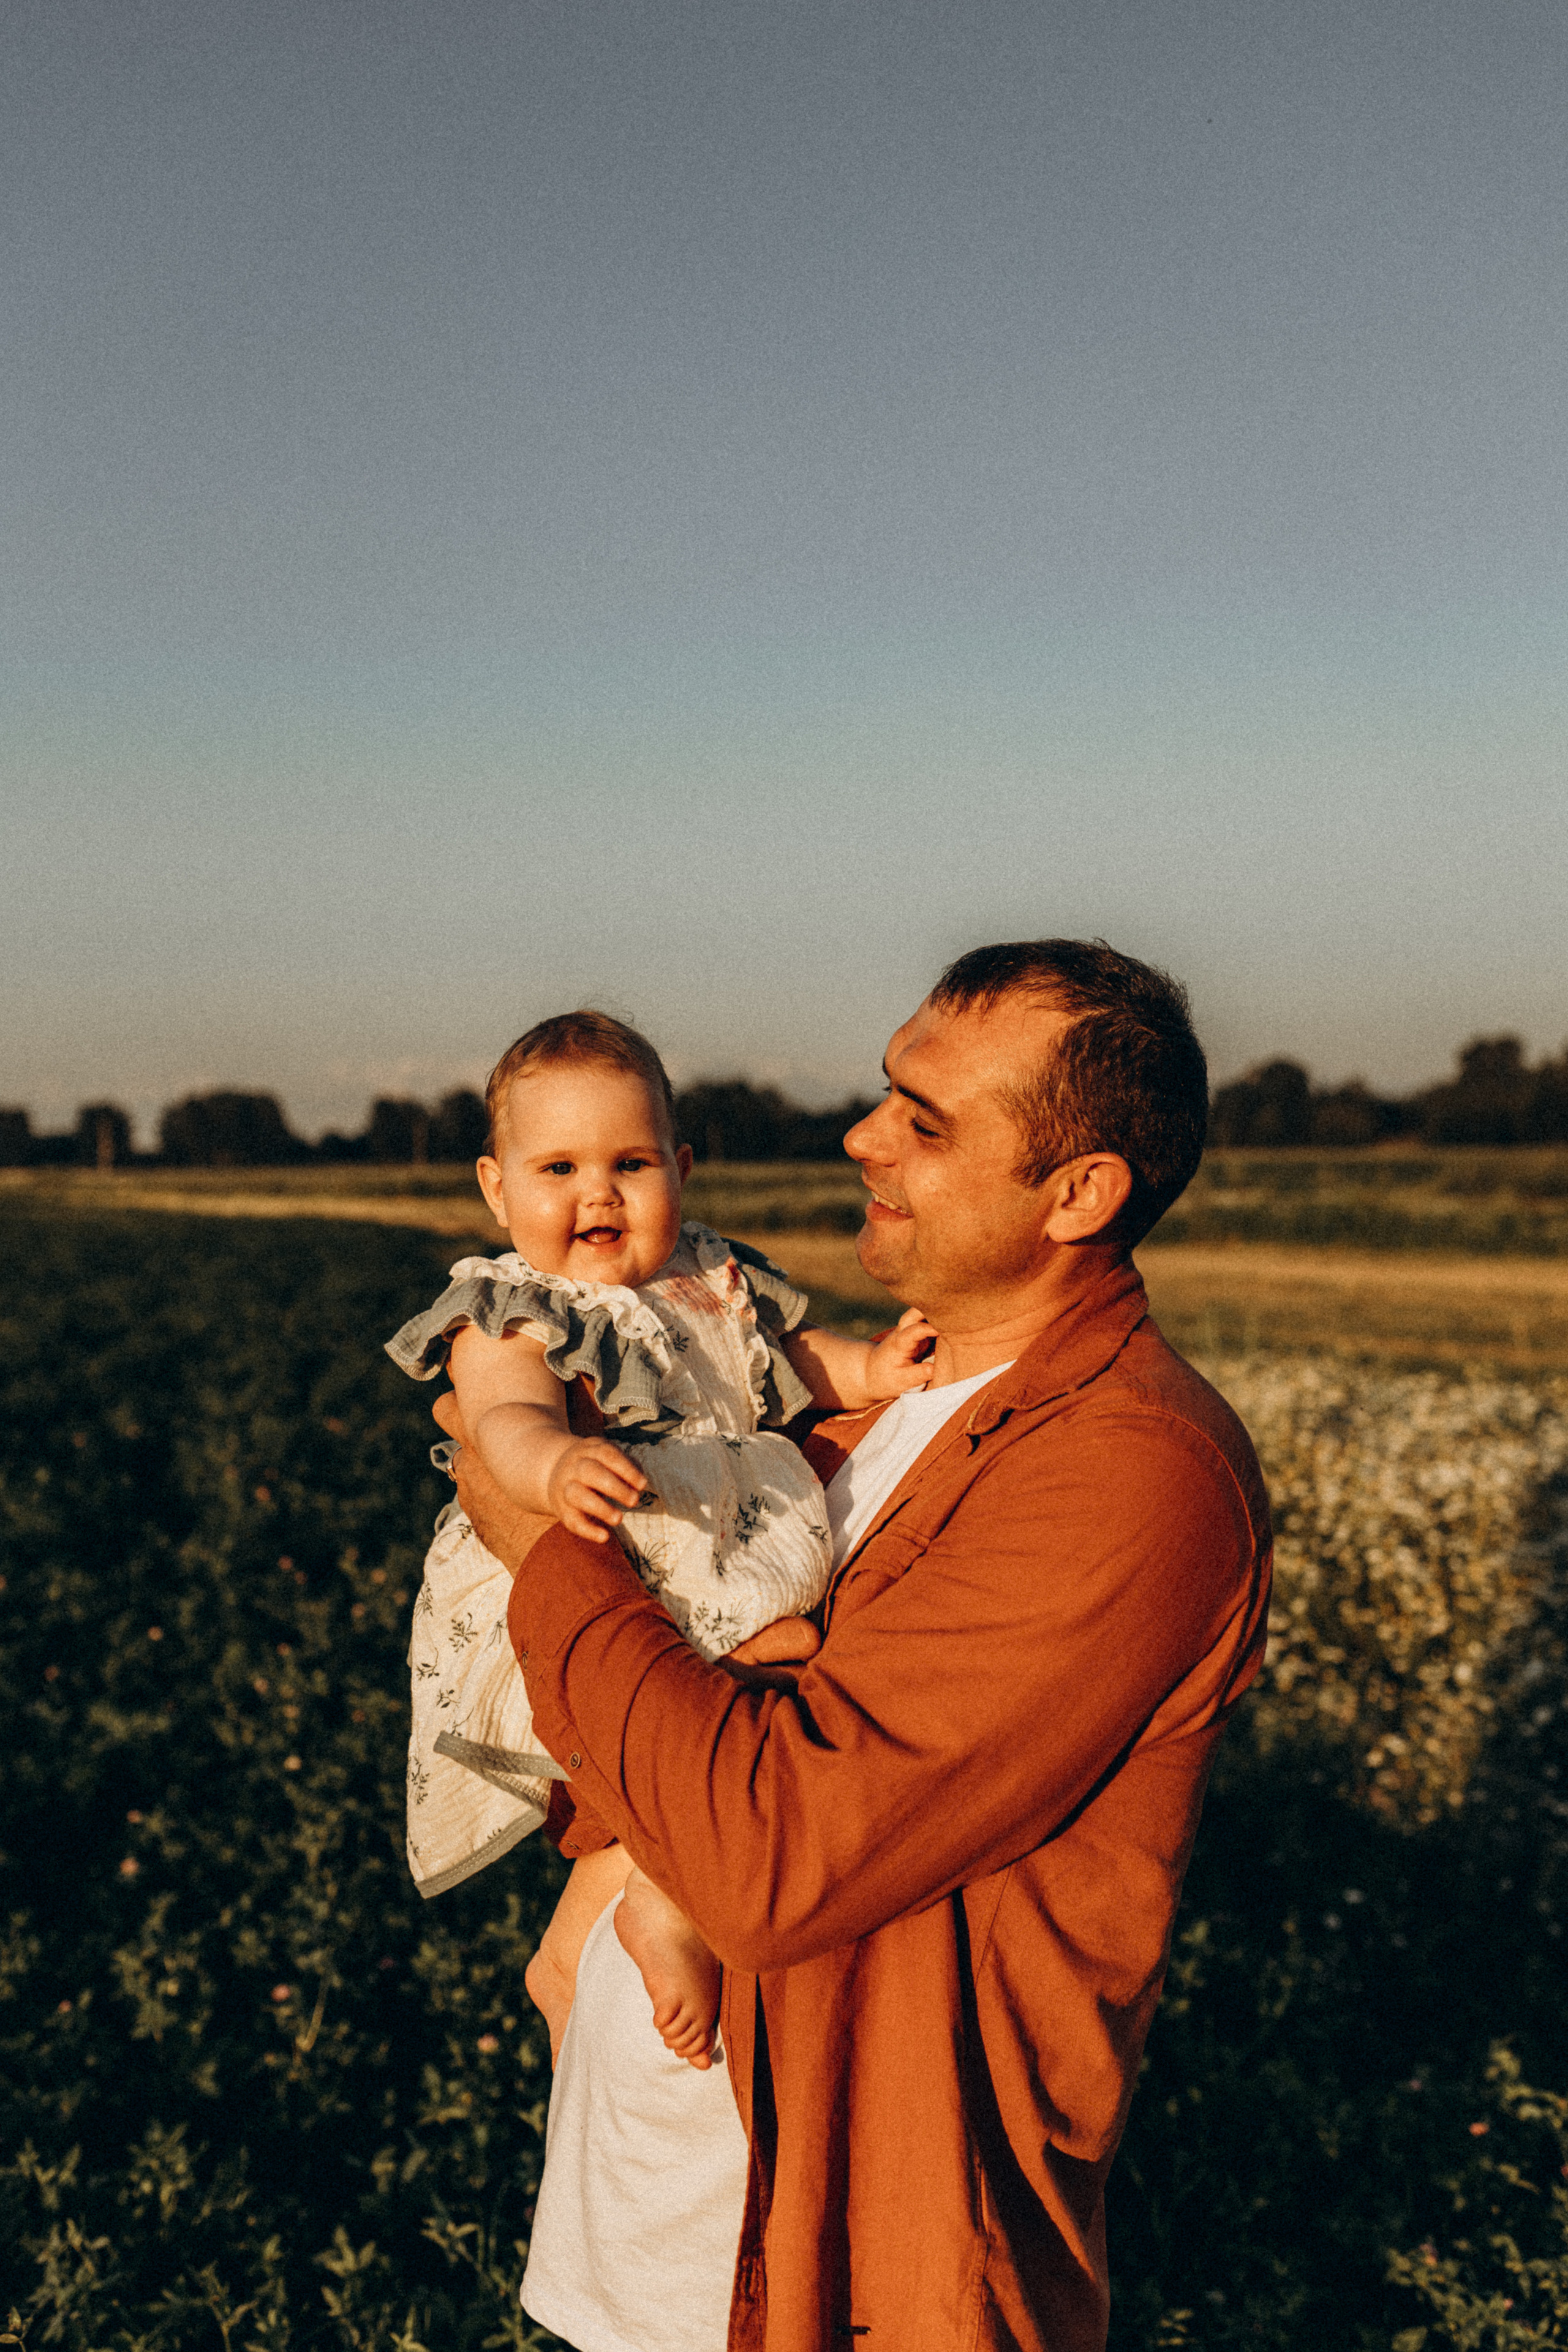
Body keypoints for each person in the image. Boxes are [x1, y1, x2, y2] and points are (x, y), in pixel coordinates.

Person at [439, 940, 1273, 2352]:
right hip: (653, 2222)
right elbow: (656, 1722)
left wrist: (534, 1541)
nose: (860, 1135)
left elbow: (766, 1851)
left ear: (1080, 1192)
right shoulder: (850, 1414)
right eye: (884, 1091)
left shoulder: (1129, 1471)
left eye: (923, 1119)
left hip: (839, 2260)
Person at [386, 1010, 935, 2064]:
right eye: (559, 1167)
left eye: (631, 1163)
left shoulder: (713, 1281)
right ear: (497, 1187)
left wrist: (876, 1368)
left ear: (681, 1169)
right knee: (707, 1699)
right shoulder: (510, 1304)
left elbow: (790, 1367)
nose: (599, 1193)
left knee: (723, 1715)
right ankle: (658, 1905)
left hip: (720, 1536)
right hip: (620, 1529)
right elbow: (498, 1414)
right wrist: (552, 1461)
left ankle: (592, 1912)